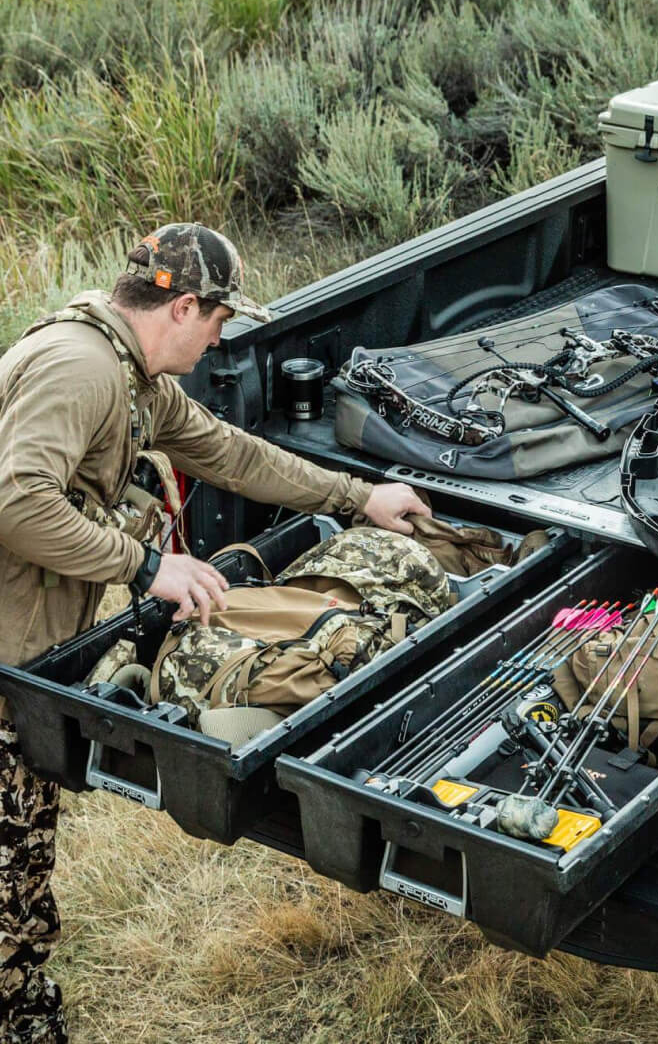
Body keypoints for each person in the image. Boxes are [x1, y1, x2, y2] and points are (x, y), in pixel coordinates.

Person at [0, 222, 431, 1043]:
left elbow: (229, 453)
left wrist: (356, 497)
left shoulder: (128, 377)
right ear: (184, 305)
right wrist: (144, 566)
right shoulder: (81, 368)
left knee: (18, 861)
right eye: (220, 321)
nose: (220, 339)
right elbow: (16, 503)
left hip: (17, 652)